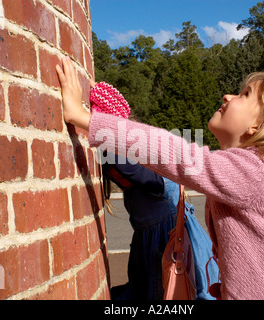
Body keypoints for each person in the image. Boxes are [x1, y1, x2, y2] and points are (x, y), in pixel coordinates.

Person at [56, 56, 264, 299]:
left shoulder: (261, 170)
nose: (226, 95)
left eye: (244, 94)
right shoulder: (248, 173)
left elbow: (176, 155)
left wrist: (84, 118)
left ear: (258, 127)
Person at [87, 80, 219, 300]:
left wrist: (98, 116)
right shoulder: (128, 166)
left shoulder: (152, 172)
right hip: (150, 250)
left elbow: (124, 165)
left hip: (172, 248)